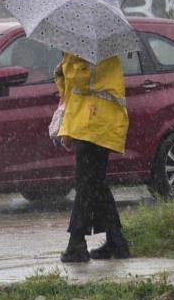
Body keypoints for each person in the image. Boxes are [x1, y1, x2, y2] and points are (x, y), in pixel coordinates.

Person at [54, 51, 131, 263]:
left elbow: (83, 79)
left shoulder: (94, 53)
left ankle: (76, 244)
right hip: (89, 122)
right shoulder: (82, 52)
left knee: (86, 184)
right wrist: (60, 75)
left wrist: (66, 67)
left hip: (97, 123)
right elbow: (72, 92)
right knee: (96, 184)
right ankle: (116, 241)